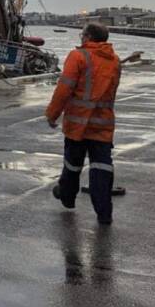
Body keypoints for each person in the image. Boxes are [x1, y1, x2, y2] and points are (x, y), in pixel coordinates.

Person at [45, 22, 121, 225]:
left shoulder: (77, 57)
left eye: (82, 35)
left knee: (72, 165)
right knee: (102, 169)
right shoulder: (114, 61)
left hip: (77, 123)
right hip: (103, 124)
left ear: (87, 37)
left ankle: (67, 198)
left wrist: (52, 114)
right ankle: (104, 214)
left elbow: (64, 90)